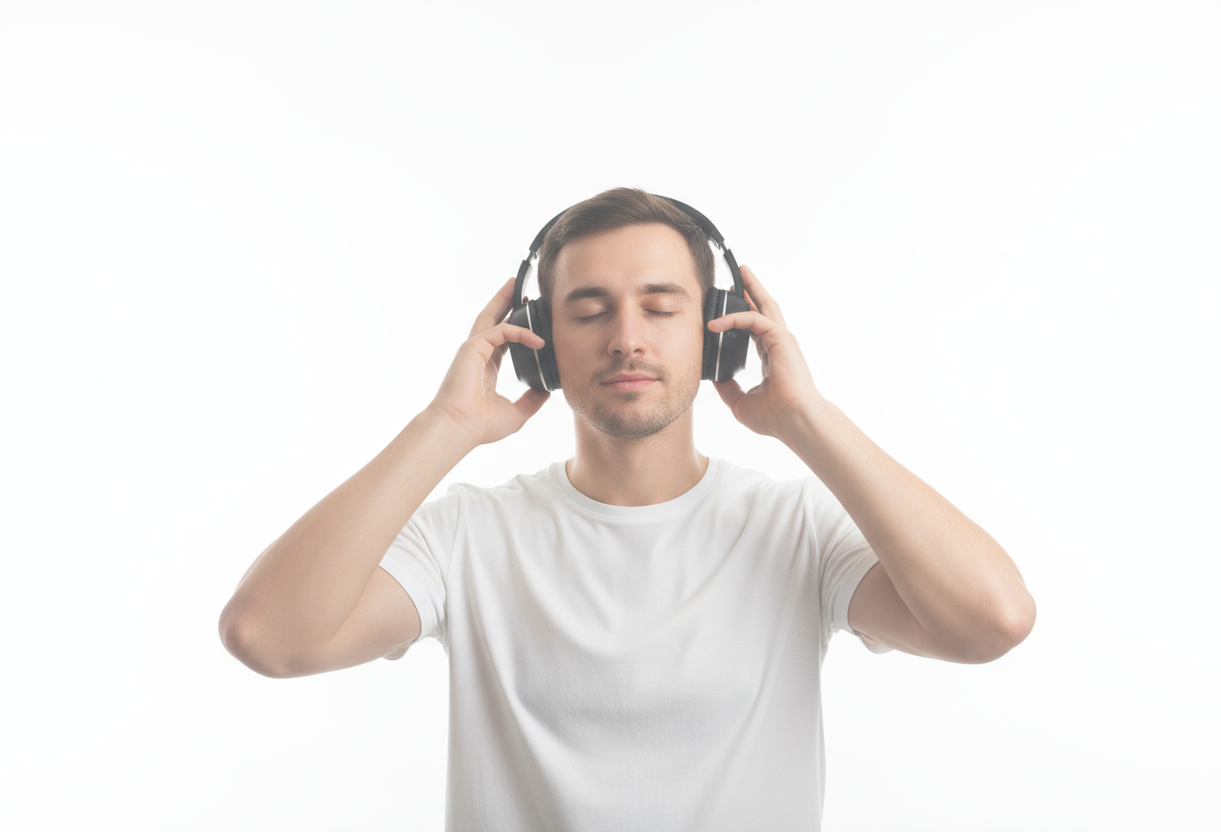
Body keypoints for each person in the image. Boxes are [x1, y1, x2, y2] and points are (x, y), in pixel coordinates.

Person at [219, 188, 1036, 831]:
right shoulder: (466, 535)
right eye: (589, 310)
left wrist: (806, 418)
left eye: (662, 307)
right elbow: (267, 636)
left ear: (720, 333)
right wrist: (449, 424)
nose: (626, 338)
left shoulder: (799, 532)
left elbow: (992, 621)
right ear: (538, 342)